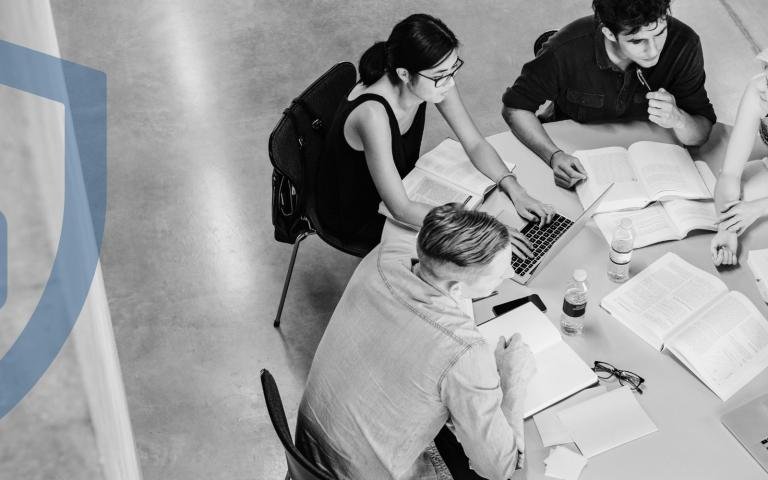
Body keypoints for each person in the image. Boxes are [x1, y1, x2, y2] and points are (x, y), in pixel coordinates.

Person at [296, 203, 537, 480]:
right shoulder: (464, 351)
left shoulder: (384, 254)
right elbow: (499, 469)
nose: (507, 276)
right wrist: (513, 383)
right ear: (457, 289)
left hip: (308, 451)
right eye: (500, 274)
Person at [316, 13, 551, 254]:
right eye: (441, 76)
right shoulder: (372, 115)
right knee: (468, 251)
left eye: (453, 69)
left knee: (486, 211)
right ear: (404, 74)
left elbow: (474, 143)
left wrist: (516, 190)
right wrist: (484, 228)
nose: (449, 83)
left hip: (402, 185)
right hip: (359, 212)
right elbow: (400, 208)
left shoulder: (433, 78)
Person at [501, 0, 716, 189]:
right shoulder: (564, 49)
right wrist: (553, 155)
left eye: (660, 33)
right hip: (573, 154)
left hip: (649, 163)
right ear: (609, 33)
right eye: (637, 41)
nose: (653, 51)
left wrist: (678, 119)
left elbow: (701, 133)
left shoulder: (685, 43)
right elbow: (515, 108)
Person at [710, 69, 768, 266]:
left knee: (750, 207)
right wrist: (727, 230)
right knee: (738, 197)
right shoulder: (758, 87)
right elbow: (730, 173)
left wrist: (758, 209)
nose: (764, 90)